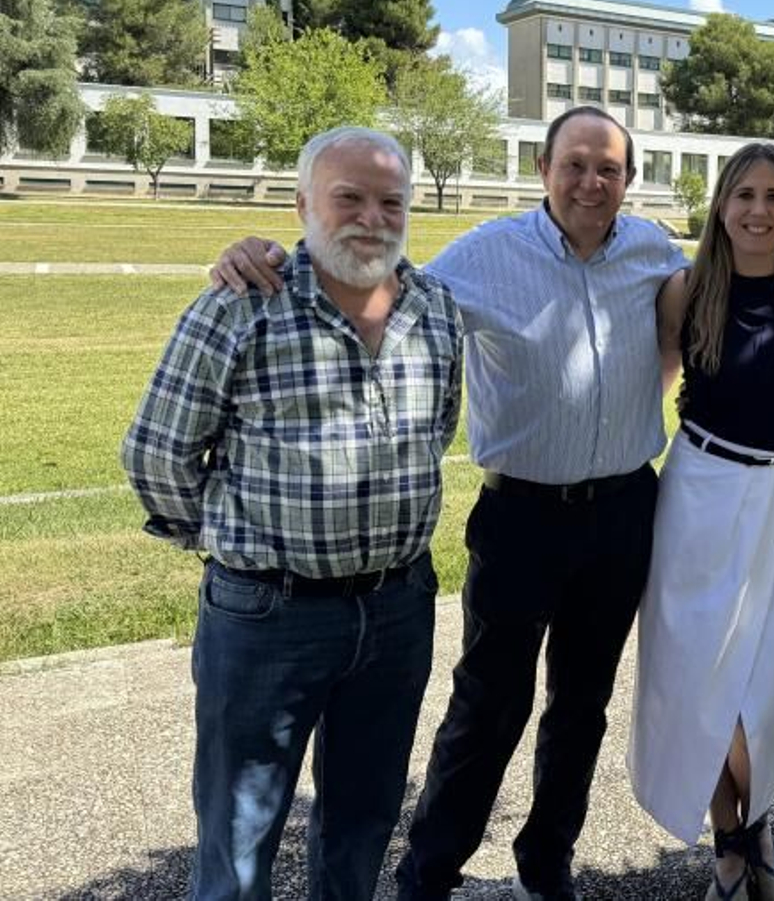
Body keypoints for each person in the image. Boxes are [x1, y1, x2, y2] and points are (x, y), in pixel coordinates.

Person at [212, 106, 690, 901]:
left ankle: (548, 860)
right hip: (522, 517)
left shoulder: (654, 252)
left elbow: (709, 302)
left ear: (629, 180)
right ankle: (431, 872)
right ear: (544, 169)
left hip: (622, 514)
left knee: (583, 706)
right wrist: (259, 253)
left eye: (608, 168)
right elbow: (371, 276)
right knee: (487, 708)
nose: (590, 181)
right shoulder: (482, 254)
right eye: (574, 163)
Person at [124, 127, 463, 901]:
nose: (371, 218)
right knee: (239, 835)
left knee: (363, 823)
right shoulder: (240, 306)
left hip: (397, 608)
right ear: (303, 203)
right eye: (349, 198)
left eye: (390, 202)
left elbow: (438, 428)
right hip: (267, 617)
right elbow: (156, 452)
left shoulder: (436, 310)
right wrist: (226, 543)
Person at [627, 142, 774, 901]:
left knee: (767, 682)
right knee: (696, 675)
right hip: (704, 493)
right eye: (745, 195)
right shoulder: (687, 292)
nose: (759, 210)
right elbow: (653, 388)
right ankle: (735, 841)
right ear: (722, 205)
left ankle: (757, 824)